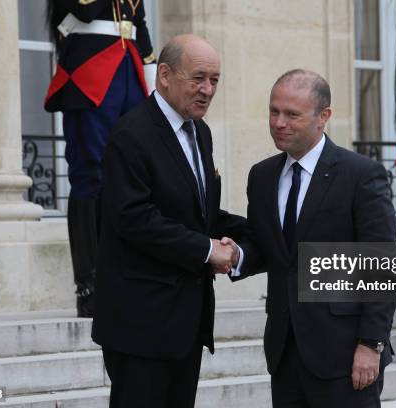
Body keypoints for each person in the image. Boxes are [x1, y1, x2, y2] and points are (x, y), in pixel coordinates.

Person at [91, 34, 245, 408]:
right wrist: (207, 250)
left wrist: (263, 236)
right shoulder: (131, 134)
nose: (208, 90)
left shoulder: (199, 133)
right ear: (164, 75)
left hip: (184, 324)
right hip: (141, 326)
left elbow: (203, 215)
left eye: (215, 80)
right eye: (198, 78)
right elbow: (135, 219)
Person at [229, 70, 396, 408]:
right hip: (285, 352)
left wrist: (371, 344)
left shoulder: (361, 175)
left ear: (324, 117)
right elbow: (274, 249)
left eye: (292, 114)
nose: (279, 122)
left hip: (346, 356)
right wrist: (236, 256)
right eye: (274, 111)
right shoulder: (261, 176)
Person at [44, 0, 157, 317]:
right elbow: (84, 10)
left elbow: (141, 30)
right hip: (90, 70)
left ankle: (127, 276)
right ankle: (90, 284)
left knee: (131, 176)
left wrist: (153, 90)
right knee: (91, 175)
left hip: (129, 71)